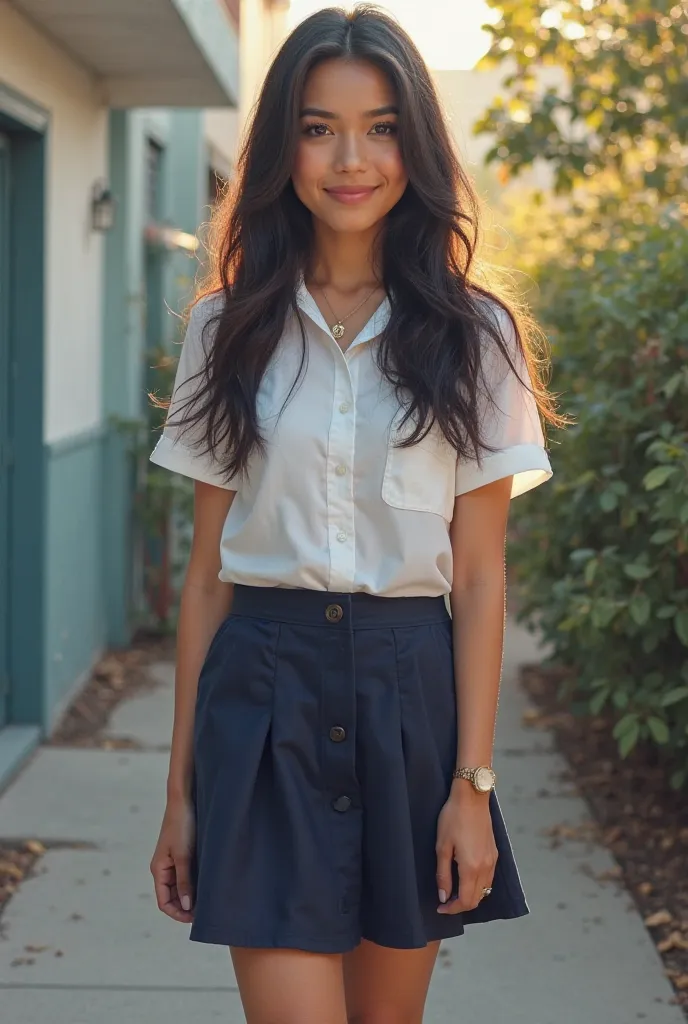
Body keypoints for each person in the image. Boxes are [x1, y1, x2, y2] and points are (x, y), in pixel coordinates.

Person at [148, 5, 561, 1022]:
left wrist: (474, 785)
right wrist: (181, 793)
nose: (350, 158)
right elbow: (206, 576)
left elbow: (475, 577)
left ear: (413, 144)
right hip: (264, 694)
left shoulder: (476, 333)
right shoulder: (224, 325)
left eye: (379, 127)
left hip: (407, 704)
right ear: (282, 141)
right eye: (318, 126)